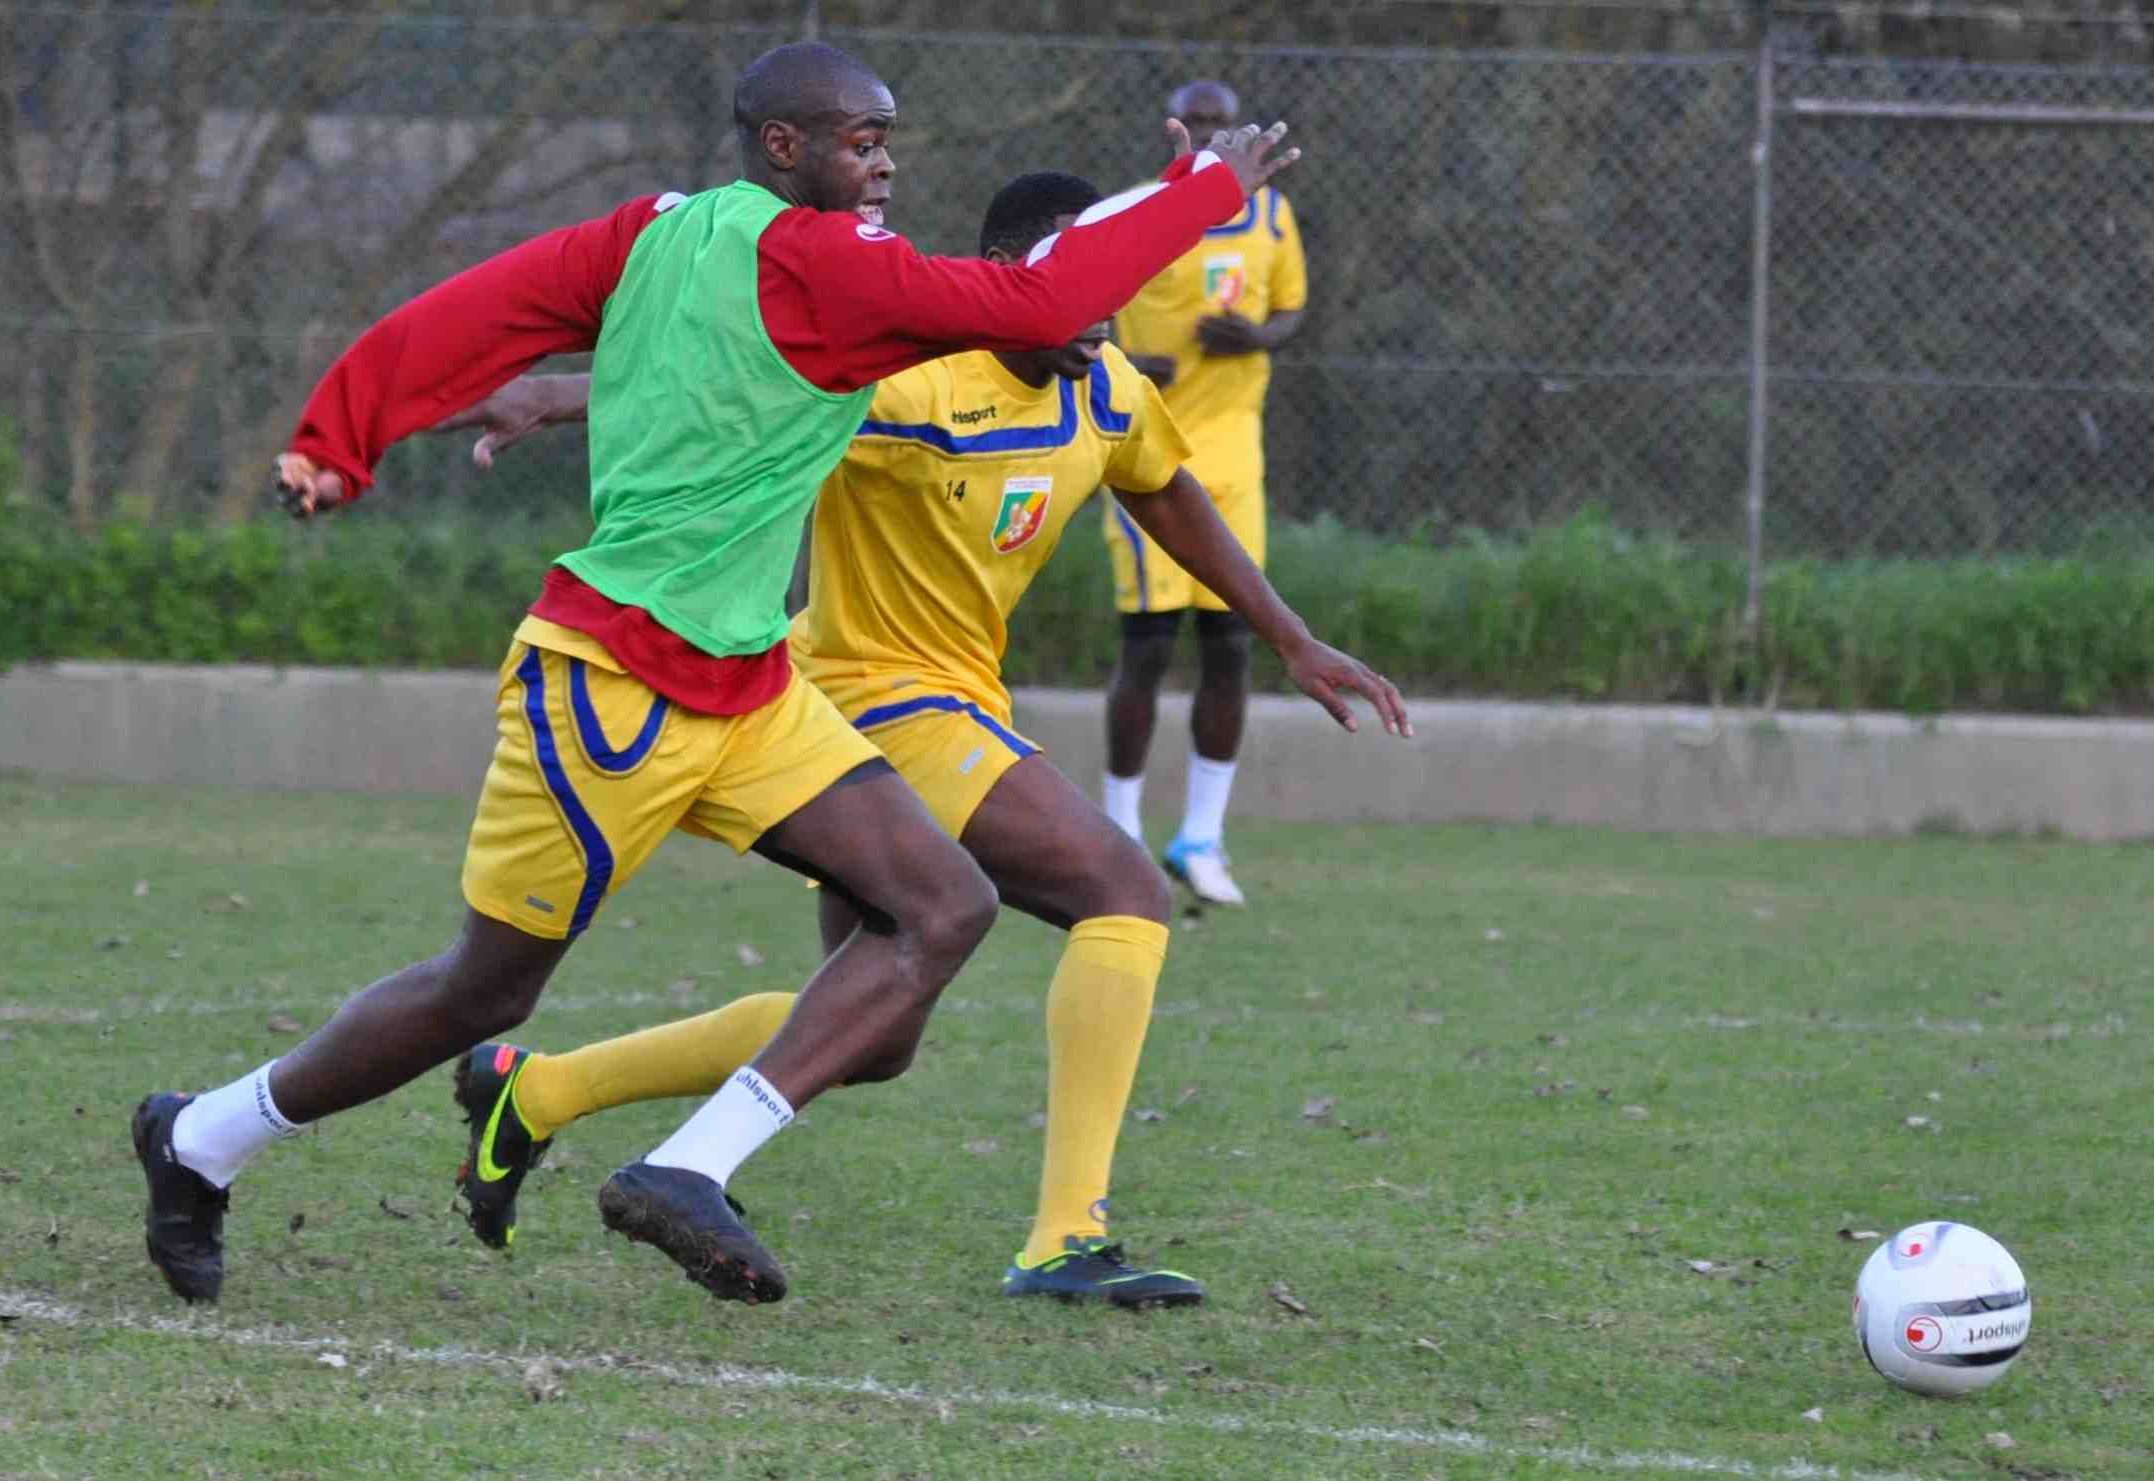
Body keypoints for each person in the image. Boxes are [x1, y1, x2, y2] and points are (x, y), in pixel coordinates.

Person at [131, 41, 1302, 1308]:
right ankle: (204, 1137)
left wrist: (344, 436)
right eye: (862, 140)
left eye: (889, 136)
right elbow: (1029, 302)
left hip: (750, 685)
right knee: (481, 987)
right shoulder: (823, 260)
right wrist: (1205, 191)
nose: (886, 162)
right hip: (612, 680)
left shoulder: (658, 235)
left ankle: (688, 1165)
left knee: (942, 906)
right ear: (782, 146)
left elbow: (476, 310)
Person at [422, 171, 1409, 1308]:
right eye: (1077, 283)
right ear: (1005, 285)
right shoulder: (914, 377)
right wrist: (554, 395)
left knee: (871, 1024)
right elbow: (743, 390)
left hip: (953, 699)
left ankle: (535, 1089)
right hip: (859, 694)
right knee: (1123, 892)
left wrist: (1293, 638)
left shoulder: (1107, 389)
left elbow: (1170, 494)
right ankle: (1063, 1236)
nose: (1103, 308)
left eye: (1116, 283)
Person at [1101, 79, 1309, 910]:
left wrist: (1259, 336)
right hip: (1149, 456)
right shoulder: (1139, 210)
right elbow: (1077, 301)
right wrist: (1124, 363)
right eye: (1204, 126)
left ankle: (1201, 836)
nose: (1218, 137)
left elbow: (1291, 308)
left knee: (1230, 644)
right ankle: (1116, 835)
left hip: (1234, 456)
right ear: (1179, 135)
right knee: (1146, 647)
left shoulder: (1272, 217)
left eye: (1229, 125)